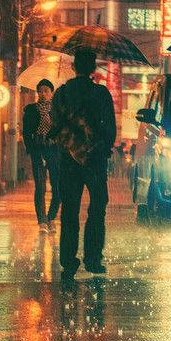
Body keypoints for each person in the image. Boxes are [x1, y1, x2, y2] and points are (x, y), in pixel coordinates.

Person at [49, 46, 117, 277]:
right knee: (97, 207)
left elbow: (54, 125)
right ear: (93, 68)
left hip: (67, 159)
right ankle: (93, 258)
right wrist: (103, 147)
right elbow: (109, 128)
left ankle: (69, 260)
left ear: (73, 66)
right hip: (95, 158)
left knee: (69, 209)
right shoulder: (101, 94)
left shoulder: (61, 93)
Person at [20, 79, 61, 227]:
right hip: (38, 150)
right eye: (40, 90)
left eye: (46, 91)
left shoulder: (57, 110)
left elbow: (62, 130)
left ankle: (51, 217)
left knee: (57, 188)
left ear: (52, 93)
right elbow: (26, 132)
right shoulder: (30, 110)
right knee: (40, 187)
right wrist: (31, 149)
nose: (43, 93)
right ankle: (42, 220)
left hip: (54, 151)